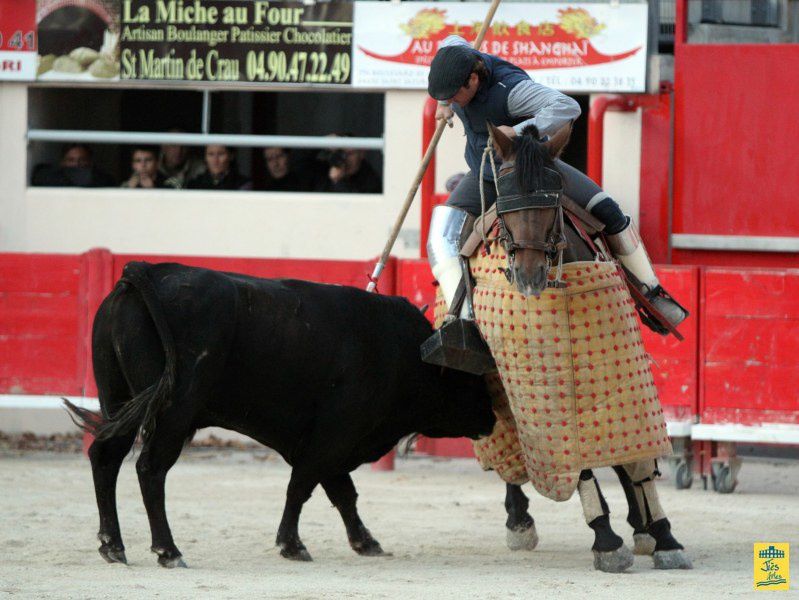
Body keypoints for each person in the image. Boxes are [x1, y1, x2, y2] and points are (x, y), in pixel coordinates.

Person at [426, 35, 685, 331]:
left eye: (453, 94)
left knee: (609, 211)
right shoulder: (454, 56)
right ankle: (463, 323)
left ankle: (652, 293)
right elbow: (450, 44)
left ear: (472, 79)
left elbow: (567, 106)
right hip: (485, 171)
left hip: (532, 170)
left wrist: (519, 130)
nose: (451, 99)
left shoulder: (513, 91)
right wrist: (444, 101)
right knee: (440, 237)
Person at [315, 137, 381, 194]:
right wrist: (322, 142)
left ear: (361, 153)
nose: (345, 158)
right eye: (341, 153)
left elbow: (354, 205)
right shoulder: (324, 169)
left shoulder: (370, 180)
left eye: (349, 154)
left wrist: (338, 181)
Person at [187, 145, 251, 191]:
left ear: (231, 156)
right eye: (211, 154)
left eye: (221, 154)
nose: (215, 160)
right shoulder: (195, 185)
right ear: (205, 158)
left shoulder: (243, 185)